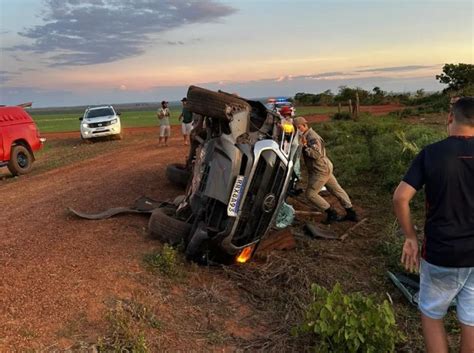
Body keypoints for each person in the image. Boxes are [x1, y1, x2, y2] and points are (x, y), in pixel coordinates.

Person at [393, 97, 474, 353]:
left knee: (431, 315)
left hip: (441, 252)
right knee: (472, 320)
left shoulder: (431, 153)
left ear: (450, 118)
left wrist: (410, 237)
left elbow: (400, 197)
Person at [293, 116, 358, 224]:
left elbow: (316, 154)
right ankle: (351, 212)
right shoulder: (306, 136)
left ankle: (331, 213)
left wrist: (304, 146)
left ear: (304, 125)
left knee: (310, 194)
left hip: (320, 170)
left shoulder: (311, 137)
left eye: (299, 127)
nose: (297, 130)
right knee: (336, 189)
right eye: (296, 128)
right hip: (324, 167)